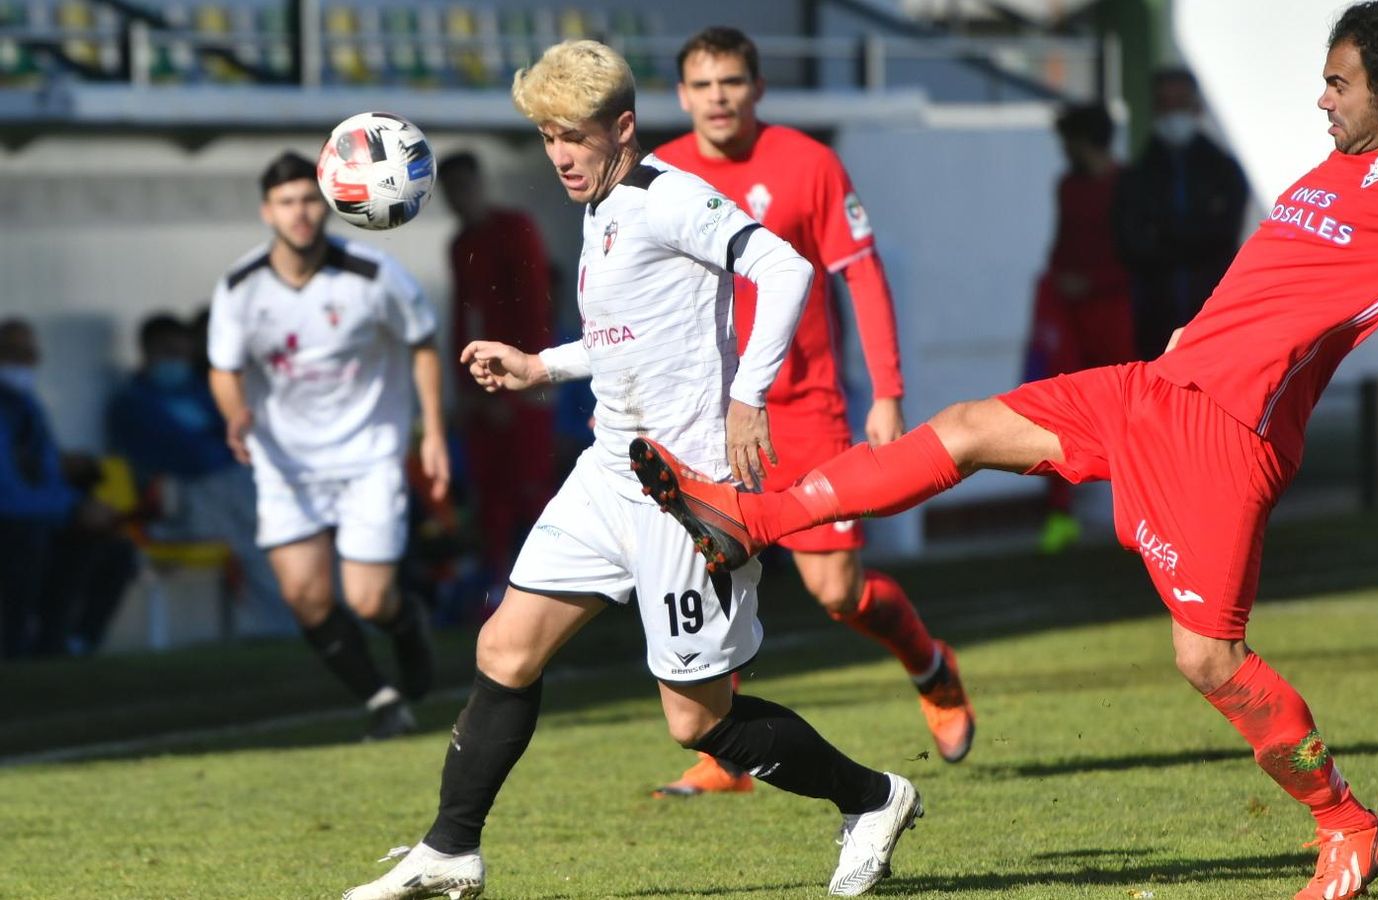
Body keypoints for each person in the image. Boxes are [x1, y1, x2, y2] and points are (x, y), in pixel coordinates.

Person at [631, 4, 1378, 898]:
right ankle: (750, 518)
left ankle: (1347, 825)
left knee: (1210, 662)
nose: (1321, 97)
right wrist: (1196, 328)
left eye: (1337, 83)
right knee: (967, 427)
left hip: (1227, 441)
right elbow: (1278, 278)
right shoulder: (1330, 167)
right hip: (1154, 389)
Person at [342, 40, 922, 900]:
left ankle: (872, 797)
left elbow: (784, 265)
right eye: (546, 138)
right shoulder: (602, 202)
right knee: (504, 647)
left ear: (621, 126)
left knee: (696, 721)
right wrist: (542, 366)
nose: (560, 156)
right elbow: (628, 335)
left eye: (573, 136)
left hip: (686, 496)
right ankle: (450, 849)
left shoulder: (668, 197)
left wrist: (748, 395)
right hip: (610, 472)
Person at [646, 25, 976, 797]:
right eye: (703, 85)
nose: (718, 97)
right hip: (703, 416)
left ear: (757, 89)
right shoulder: (661, 174)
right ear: (681, 96)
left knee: (835, 591)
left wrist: (887, 391)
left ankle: (931, 667)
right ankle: (726, 757)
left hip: (804, 411)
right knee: (705, 573)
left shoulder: (808, 163)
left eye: (732, 82)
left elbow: (861, 277)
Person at [207, 151, 448, 739]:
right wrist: (236, 415)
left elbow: (421, 342)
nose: (301, 214)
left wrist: (434, 431)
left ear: (332, 202)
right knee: (307, 599)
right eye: (287, 202)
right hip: (285, 463)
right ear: (268, 211)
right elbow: (223, 367)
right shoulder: (240, 287)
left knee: (368, 601)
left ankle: (405, 621)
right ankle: (383, 700)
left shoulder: (373, 274)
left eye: (310, 200)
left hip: (367, 454)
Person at [107, 312, 291, 636]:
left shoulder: (198, 392)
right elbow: (188, 456)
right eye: (167, 352)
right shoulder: (132, 402)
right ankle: (277, 629)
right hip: (182, 498)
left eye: (181, 353)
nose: (175, 361)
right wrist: (220, 448)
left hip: (231, 483)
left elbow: (237, 434)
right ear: (147, 351)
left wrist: (220, 447)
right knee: (255, 543)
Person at [436, 150, 559, 582]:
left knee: (529, 491)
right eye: (450, 191)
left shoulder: (514, 228)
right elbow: (461, 319)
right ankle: (498, 592)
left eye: (464, 186)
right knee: (490, 500)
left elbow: (532, 308)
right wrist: (466, 391)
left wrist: (519, 385)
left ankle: (556, 583)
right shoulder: (459, 245)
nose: (459, 197)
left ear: (480, 184)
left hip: (520, 385)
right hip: (483, 390)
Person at [1027, 102, 1138, 553]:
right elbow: (1062, 245)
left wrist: (1091, 282)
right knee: (1056, 409)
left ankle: (1134, 513)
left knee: (1126, 415)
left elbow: (1133, 258)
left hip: (1112, 313)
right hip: (1072, 316)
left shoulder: (1124, 186)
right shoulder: (1068, 186)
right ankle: (1060, 514)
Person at [0, 318, 137, 658]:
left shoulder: (27, 406)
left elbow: (47, 475)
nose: (24, 361)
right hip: (13, 523)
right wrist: (72, 509)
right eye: (12, 353)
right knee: (27, 541)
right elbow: (7, 490)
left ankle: (71, 643)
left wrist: (80, 505)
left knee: (113, 550)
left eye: (30, 353)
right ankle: (18, 648)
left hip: (34, 518)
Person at [1111, 67, 1248, 360]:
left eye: (1180, 104)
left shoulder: (1222, 170)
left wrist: (1163, 232)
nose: (1173, 113)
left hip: (1210, 315)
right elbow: (1130, 243)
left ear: (1195, 107)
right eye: (1166, 104)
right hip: (1154, 319)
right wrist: (1191, 234)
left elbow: (1223, 234)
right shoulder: (1139, 174)